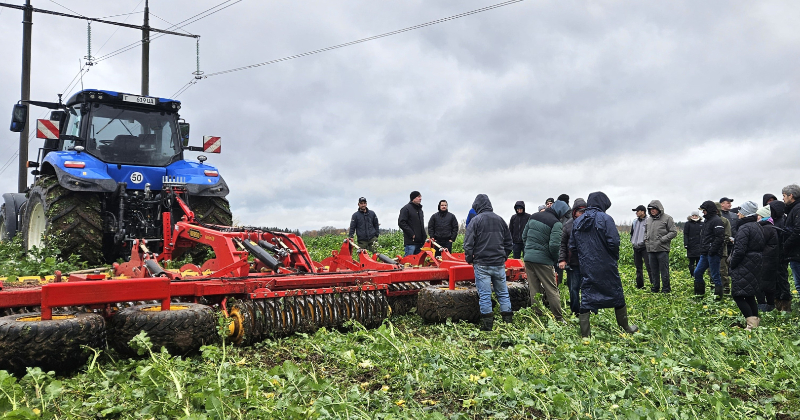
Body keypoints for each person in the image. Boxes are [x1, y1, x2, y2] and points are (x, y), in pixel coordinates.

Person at [569, 192, 638, 338]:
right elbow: (614, 241)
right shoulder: (606, 218)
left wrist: (584, 258)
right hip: (606, 264)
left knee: (586, 296)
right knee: (616, 292)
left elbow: (572, 246)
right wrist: (612, 257)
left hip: (586, 265)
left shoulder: (577, 221)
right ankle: (625, 327)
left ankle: (585, 334)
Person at [463, 194, 513, 331]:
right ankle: (507, 323)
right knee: (503, 293)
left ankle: (487, 326)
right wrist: (503, 257)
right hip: (498, 263)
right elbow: (509, 243)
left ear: (477, 206)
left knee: (484, 295)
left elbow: (468, 244)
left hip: (482, 264)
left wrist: (470, 259)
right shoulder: (500, 220)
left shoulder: (475, 220)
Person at [522, 199, 571, 322]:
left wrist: (529, 250)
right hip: (543, 261)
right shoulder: (556, 223)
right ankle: (559, 318)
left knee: (534, 289)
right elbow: (554, 245)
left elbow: (524, 236)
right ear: (560, 212)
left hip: (528, 259)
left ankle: (537, 314)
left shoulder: (533, 216)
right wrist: (555, 259)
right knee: (551, 289)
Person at [729, 201, 765, 330]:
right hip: (755, 263)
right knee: (749, 295)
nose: (738, 214)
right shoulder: (757, 226)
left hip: (744, 263)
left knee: (738, 295)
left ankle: (750, 325)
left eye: (741, 211)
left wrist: (732, 263)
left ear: (745, 213)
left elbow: (739, 250)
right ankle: (754, 324)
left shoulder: (744, 228)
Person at [558, 198, 586, 316]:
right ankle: (576, 311)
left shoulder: (589, 223)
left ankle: (586, 310)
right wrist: (562, 260)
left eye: (584, 212)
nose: (581, 214)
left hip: (587, 262)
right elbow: (563, 244)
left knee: (586, 288)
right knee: (573, 289)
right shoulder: (568, 225)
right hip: (572, 263)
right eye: (579, 211)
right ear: (574, 212)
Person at [644, 200, 678, 293]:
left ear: (659, 209)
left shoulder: (667, 218)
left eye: (654, 209)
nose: (652, 211)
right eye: (650, 209)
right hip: (651, 249)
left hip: (662, 249)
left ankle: (666, 288)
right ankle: (655, 287)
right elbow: (646, 231)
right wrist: (645, 239)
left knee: (664, 271)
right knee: (653, 271)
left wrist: (663, 239)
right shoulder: (648, 220)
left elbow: (673, 232)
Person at [694, 201, 725, 297]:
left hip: (713, 253)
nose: (703, 212)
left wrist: (712, 250)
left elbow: (720, 237)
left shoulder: (717, 220)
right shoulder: (707, 221)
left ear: (709, 210)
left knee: (715, 275)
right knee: (697, 272)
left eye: (704, 210)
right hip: (705, 253)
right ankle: (699, 294)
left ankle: (718, 296)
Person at [769, 200, 792, 312]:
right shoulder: (774, 220)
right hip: (775, 254)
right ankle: (777, 301)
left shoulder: (782, 221)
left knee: (782, 278)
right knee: (776, 279)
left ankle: (785, 304)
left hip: (781, 255)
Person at [756, 206, 779, 312]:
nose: (757, 217)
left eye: (758, 215)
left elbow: (758, 243)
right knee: (770, 284)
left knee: (760, 284)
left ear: (763, 216)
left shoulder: (765, 228)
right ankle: (771, 306)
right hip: (771, 260)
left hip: (764, 259)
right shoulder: (771, 227)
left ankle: (762, 307)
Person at [781, 184, 800, 299]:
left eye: (784, 196)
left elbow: (798, 230)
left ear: (791, 196)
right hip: (796, 253)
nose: (783, 198)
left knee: (799, 284)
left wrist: (786, 245)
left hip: (797, 253)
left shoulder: (797, 209)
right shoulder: (793, 209)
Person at [630, 205, 651, 289]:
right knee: (638, 267)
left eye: (637, 211)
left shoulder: (649, 221)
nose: (636, 213)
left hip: (645, 247)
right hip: (636, 247)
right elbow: (632, 232)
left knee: (649, 266)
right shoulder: (635, 221)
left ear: (643, 212)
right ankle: (640, 285)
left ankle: (654, 285)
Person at [398, 191, 426, 256]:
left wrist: (424, 236)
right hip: (411, 242)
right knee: (408, 262)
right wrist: (411, 234)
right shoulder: (406, 209)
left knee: (418, 263)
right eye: (418, 197)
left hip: (420, 242)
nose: (420, 198)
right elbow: (401, 222)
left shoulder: (420, 210)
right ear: (413, 198)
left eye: (420, 196)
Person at [716, 202, 733, 294]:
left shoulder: (725, 221)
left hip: (722, 251)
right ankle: (715, 290)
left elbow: (727, 235)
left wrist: (717, 245)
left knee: (723, 270)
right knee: (712, 271)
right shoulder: (707, 221)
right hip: (710, 252)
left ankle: (726, 290)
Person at [684, 211, 704, 275]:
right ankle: (692, 274)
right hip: (691, 245)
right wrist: (686, 244)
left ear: (698, 216)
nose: (694, 217)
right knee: (691, 262)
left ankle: (698, 274)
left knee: (699, 262)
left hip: (700, 245)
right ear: (691, 216)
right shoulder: (688, 224)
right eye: (693, 216)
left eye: (696, 216)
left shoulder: (702, 224)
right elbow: (685, 234)